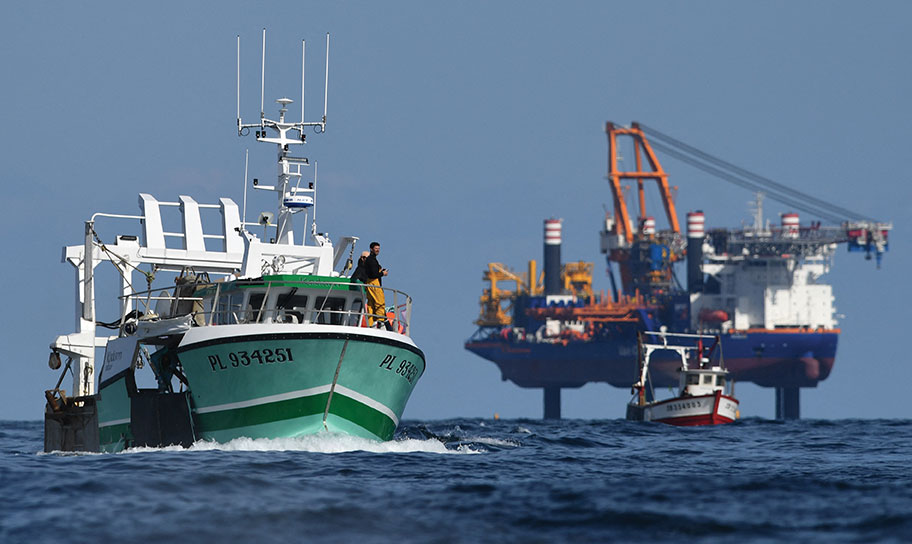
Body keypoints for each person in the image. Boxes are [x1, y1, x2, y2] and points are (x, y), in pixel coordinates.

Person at [364, 242, 388, 327]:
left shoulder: (370, 260)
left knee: (371, 303)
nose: (378, 250)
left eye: (378, 248)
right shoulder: (372, 260)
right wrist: (382, 273)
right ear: (371, 249)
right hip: (374, 283)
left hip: (369, 284)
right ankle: (380, 321)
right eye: (376, 248)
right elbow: (373, 274)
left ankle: (370, 322)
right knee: (380, 301)